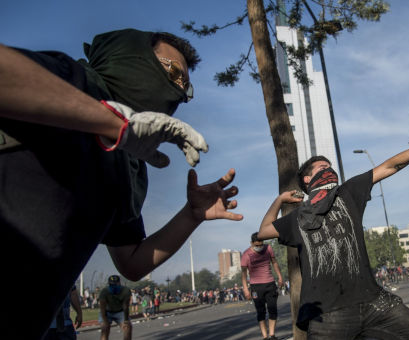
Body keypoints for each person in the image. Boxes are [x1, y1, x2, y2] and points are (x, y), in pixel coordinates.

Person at [0, 28, 243, 339]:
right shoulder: (73, 80)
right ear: (131, 57)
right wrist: (115, 124)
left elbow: (132, 262)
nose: (179, 92)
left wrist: (191, 216)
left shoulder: (128, 166)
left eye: (186, 87)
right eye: (172, 73)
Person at [258, 129, 409, 340]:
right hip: (328, 313)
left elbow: (389, 166)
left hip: (373, 300)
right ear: (307, 179)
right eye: (323, 168)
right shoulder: (296, 219)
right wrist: (279, 200)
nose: (329, 170)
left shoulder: (347, 193)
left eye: (330, 167)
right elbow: (264, 231)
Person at [241, 232, 284, 340]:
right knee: (261, 312)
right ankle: (265, 337)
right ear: (251, 243)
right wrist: (246, 289)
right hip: (256, 286)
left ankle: (272, 335)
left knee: (272, 309)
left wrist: (280, 277)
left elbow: (274, 262)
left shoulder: (268, 248)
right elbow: (243, 273)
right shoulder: (246, 254)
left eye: (261, 245)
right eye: (256, 245)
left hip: (270, 284)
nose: (259, 247)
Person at [99, 275, 132, 340]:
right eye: (112, 285)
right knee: (105, 329)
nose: (114, 286)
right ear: (109, 284)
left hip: (120, 311)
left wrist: (126, 320)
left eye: (116, 284)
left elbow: (125, 306)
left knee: (127, 328)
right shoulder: (104, 292)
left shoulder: (126, 291)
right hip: (107, 311)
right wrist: (105, 321)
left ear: (119, 283)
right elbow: (102, 308)